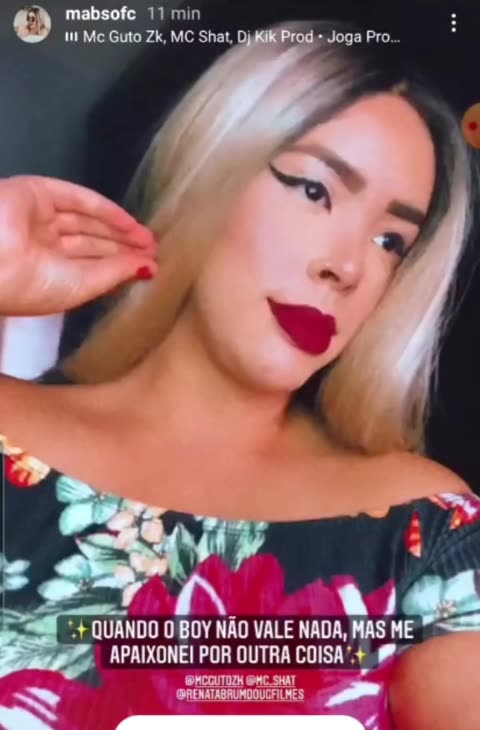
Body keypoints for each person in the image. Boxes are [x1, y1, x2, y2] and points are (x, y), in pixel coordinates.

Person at [0, 18, 479, 730]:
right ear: (211, 170)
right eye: (314, 190)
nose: (347, 266)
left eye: (391, 241)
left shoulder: (423, 528)